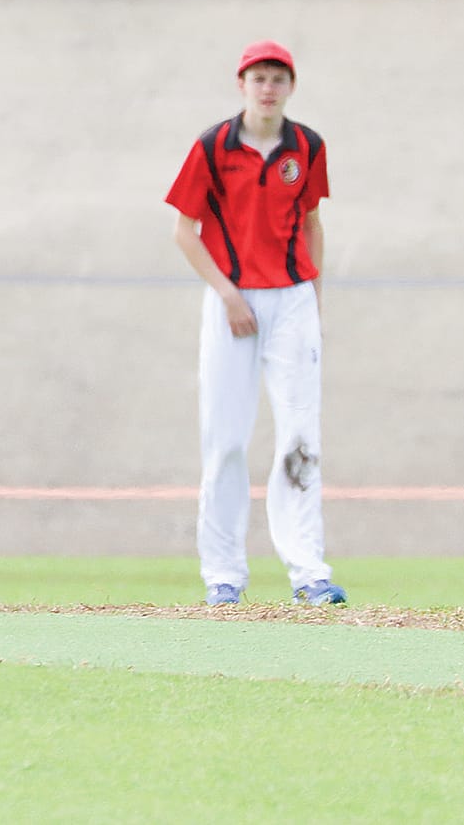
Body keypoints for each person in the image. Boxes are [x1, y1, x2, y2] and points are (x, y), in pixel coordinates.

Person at [165, 40, 345, 607]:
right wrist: (226, 293)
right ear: (241, 84)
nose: (268, 88)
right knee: (225, 439)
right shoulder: (213, 146)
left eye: (278, 79)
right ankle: (223, 576)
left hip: (291, 300)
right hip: (231, 303)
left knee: (299, 436)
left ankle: (308, 573)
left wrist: (312, 297)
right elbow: (183, 231)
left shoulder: (307, 146)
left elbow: (312, 222)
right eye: (258, 78)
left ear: (290, 87)